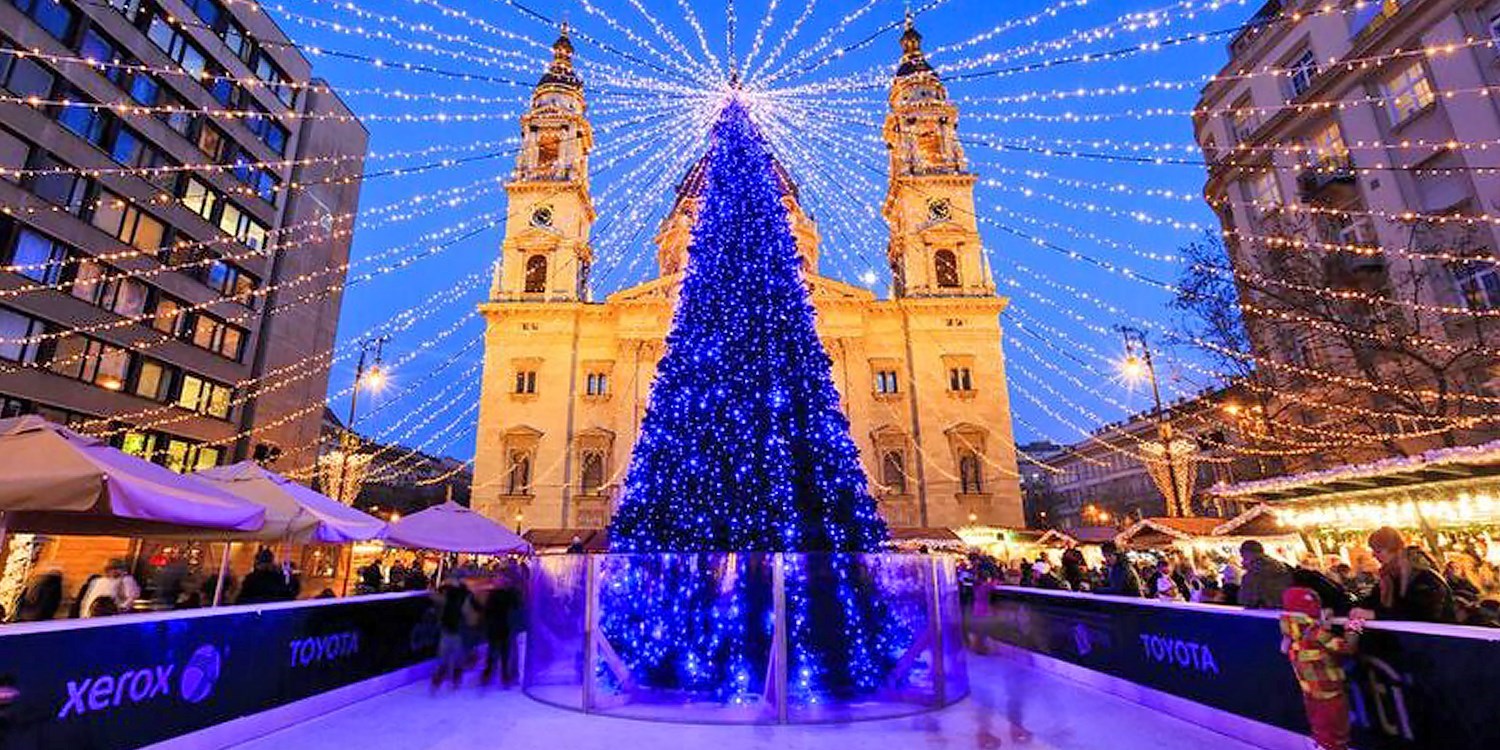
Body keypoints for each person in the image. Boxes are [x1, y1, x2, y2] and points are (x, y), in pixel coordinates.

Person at [1280, 587, 1364, 750]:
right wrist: (1354, 626)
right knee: (1336, 736)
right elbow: (1347, 647)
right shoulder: (1316, 634)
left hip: (1311, 695)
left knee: (1322, 732)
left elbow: (1301, 648)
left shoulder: (1291, 632)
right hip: (1330, 695)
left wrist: (1322, 622)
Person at [1359, 527, 1455, 623]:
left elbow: (1419, 614)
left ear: (1394, 550)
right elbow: (1370, 602)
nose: (1374, 555)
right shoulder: (1389, 576)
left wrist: (1375, 614)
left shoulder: (1424, 577)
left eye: (1378, 551)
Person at [431, 573, 477, 691]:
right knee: (451, 657)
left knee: (448, 657)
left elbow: (438, 598)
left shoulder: (457, 594)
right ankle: (449, 679)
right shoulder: (458, 593)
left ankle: (444, 679)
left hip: (455, 629)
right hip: (454, 629)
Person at [482, 569, 523, 687]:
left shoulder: (509, 594)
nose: (499, 581)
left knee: (504, 653)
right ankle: (490, 675)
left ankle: (504, 676)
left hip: (505, 627)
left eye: (501, 579)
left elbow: (516, 606)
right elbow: (488, 611)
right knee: (494, 653)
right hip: (497, 627)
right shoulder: (495, 594)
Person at [1238, 540, 1293, 610]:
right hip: (1281, 607)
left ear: (1248, 553)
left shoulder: (1256, 570)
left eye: (1243, 555)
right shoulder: (1278, 565)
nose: (1242, 559)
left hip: (1264, 609)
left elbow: (1249, 599)